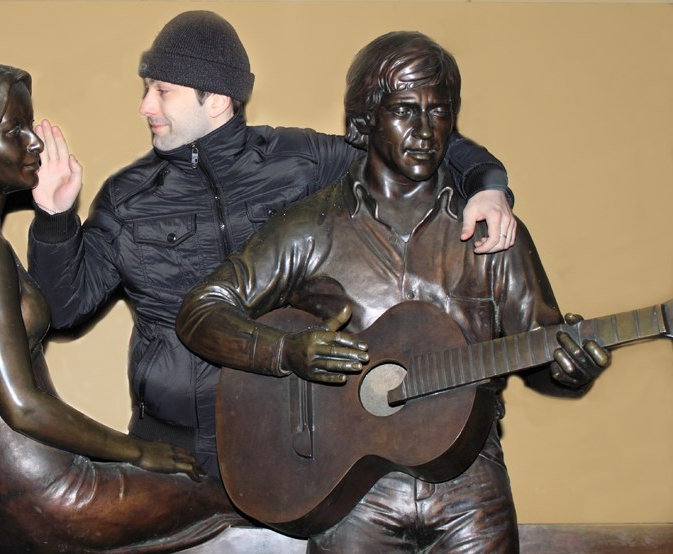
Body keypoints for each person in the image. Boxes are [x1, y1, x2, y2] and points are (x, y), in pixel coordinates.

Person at [28, 10, 519, 477]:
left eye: (162, 91)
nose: (145, 106)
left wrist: (488, 185)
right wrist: (55, 216)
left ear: (216, 99)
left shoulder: (303, 161)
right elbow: (65, 309)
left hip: (293, 439)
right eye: (147, 90)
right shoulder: (128, 197)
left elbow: (409, 142)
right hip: (173, 446)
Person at [176, 31, 610, 552]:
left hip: (470, 480)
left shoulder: (491, 235)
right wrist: (284, 351)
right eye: (405, 110)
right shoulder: (311, 229)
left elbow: (540, 351)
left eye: (438, 111)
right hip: (349, 488)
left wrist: (568, 370)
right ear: (365, 119)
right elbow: (201, 310)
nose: (425, 130)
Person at [0, 63, 243, 553]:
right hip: (50, 497)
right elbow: (23, 407)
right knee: (235, 500)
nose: (35, 142)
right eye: (14, 130)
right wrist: (138, 451)